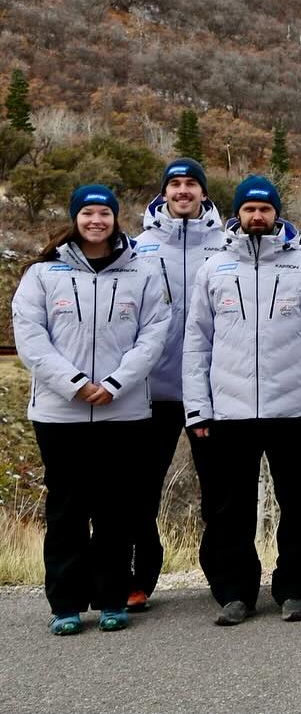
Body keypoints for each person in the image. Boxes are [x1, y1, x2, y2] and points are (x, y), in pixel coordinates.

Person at [13, 184, 170, 635]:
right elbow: (32, 339)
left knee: (115, 510)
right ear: (75, 219)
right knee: (66, 509)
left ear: (116, 219)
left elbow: (153, 335)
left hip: (123, 413)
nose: (96, 221)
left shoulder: (142, 272)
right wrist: (76, 384)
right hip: (60, 413)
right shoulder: (43, 274)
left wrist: (116, 384)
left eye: (104, 213)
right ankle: (64, 602)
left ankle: (111, 597)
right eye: (88, 213)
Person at [182, 175, 301, 626]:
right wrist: (198, 408)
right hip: (228, 412)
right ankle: (235, 591)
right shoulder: (214, 269)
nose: (257, 216)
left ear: (276, 215)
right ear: (238, 214)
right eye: (249, 209)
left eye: (265, 209)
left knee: (300, 505)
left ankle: (295, 589)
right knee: (230, 508)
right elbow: (197, 344)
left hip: (294, 412)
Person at [129, 158, 226, 611]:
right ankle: (138, 579)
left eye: (191, 184)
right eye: (175, 184)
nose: (183, 191)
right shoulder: (138, 247)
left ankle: (224, 577)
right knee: (140, 489)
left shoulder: (225, 245)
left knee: (220, 490)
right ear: (163, 193)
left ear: (204, 193)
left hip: (212, 390)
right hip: (154, 389)